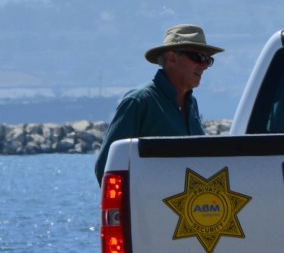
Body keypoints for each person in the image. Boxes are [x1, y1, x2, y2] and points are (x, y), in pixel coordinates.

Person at [94, 24, 223, 182]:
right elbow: (106, 167)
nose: (204, 66)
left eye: (208, 60)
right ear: (171, 59)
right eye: (198, 57)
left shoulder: (191, 103)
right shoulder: (139, 102)